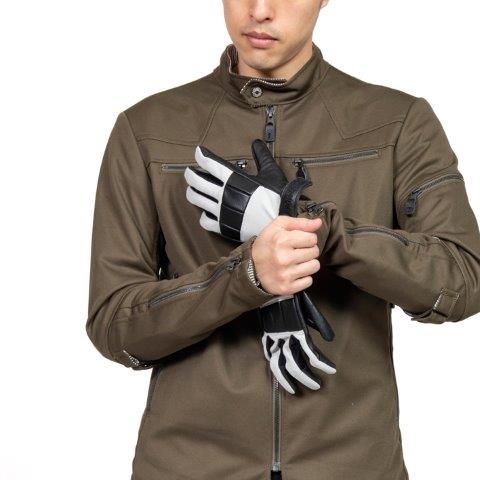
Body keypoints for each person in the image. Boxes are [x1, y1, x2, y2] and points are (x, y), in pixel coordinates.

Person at [86, 1, 480, 479]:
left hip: (352, 465)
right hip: (189, 465)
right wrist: (245, 277)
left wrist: (319, 231)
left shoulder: (398, 123)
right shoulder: (147, 130)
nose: (260, 10)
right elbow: (115, 325)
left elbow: (463, 280)